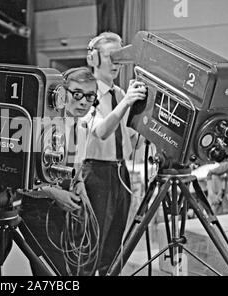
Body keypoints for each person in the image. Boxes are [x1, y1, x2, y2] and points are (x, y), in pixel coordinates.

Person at [81, 32, 147, 275]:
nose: (117, 63)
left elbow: (131, 139)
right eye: (111, 56)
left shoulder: (120, 94)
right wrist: (127, 102)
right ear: (94, 59)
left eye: (121, 57)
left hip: (121, 172)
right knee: (92, 245)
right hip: (96, 173)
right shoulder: (87, 93)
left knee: (115, 246)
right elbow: (101, 131)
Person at [21, 67, 97, 276]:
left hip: (61, 211)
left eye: (90, 96)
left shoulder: (81, 128)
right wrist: (53, 193)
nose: (83, 102)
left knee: (71, 269)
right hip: (36, 209)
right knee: (52, 273)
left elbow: (77, 167)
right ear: (63, 93)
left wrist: (79, 183)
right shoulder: (44, 126)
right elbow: (23, 180)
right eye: (77, 94)